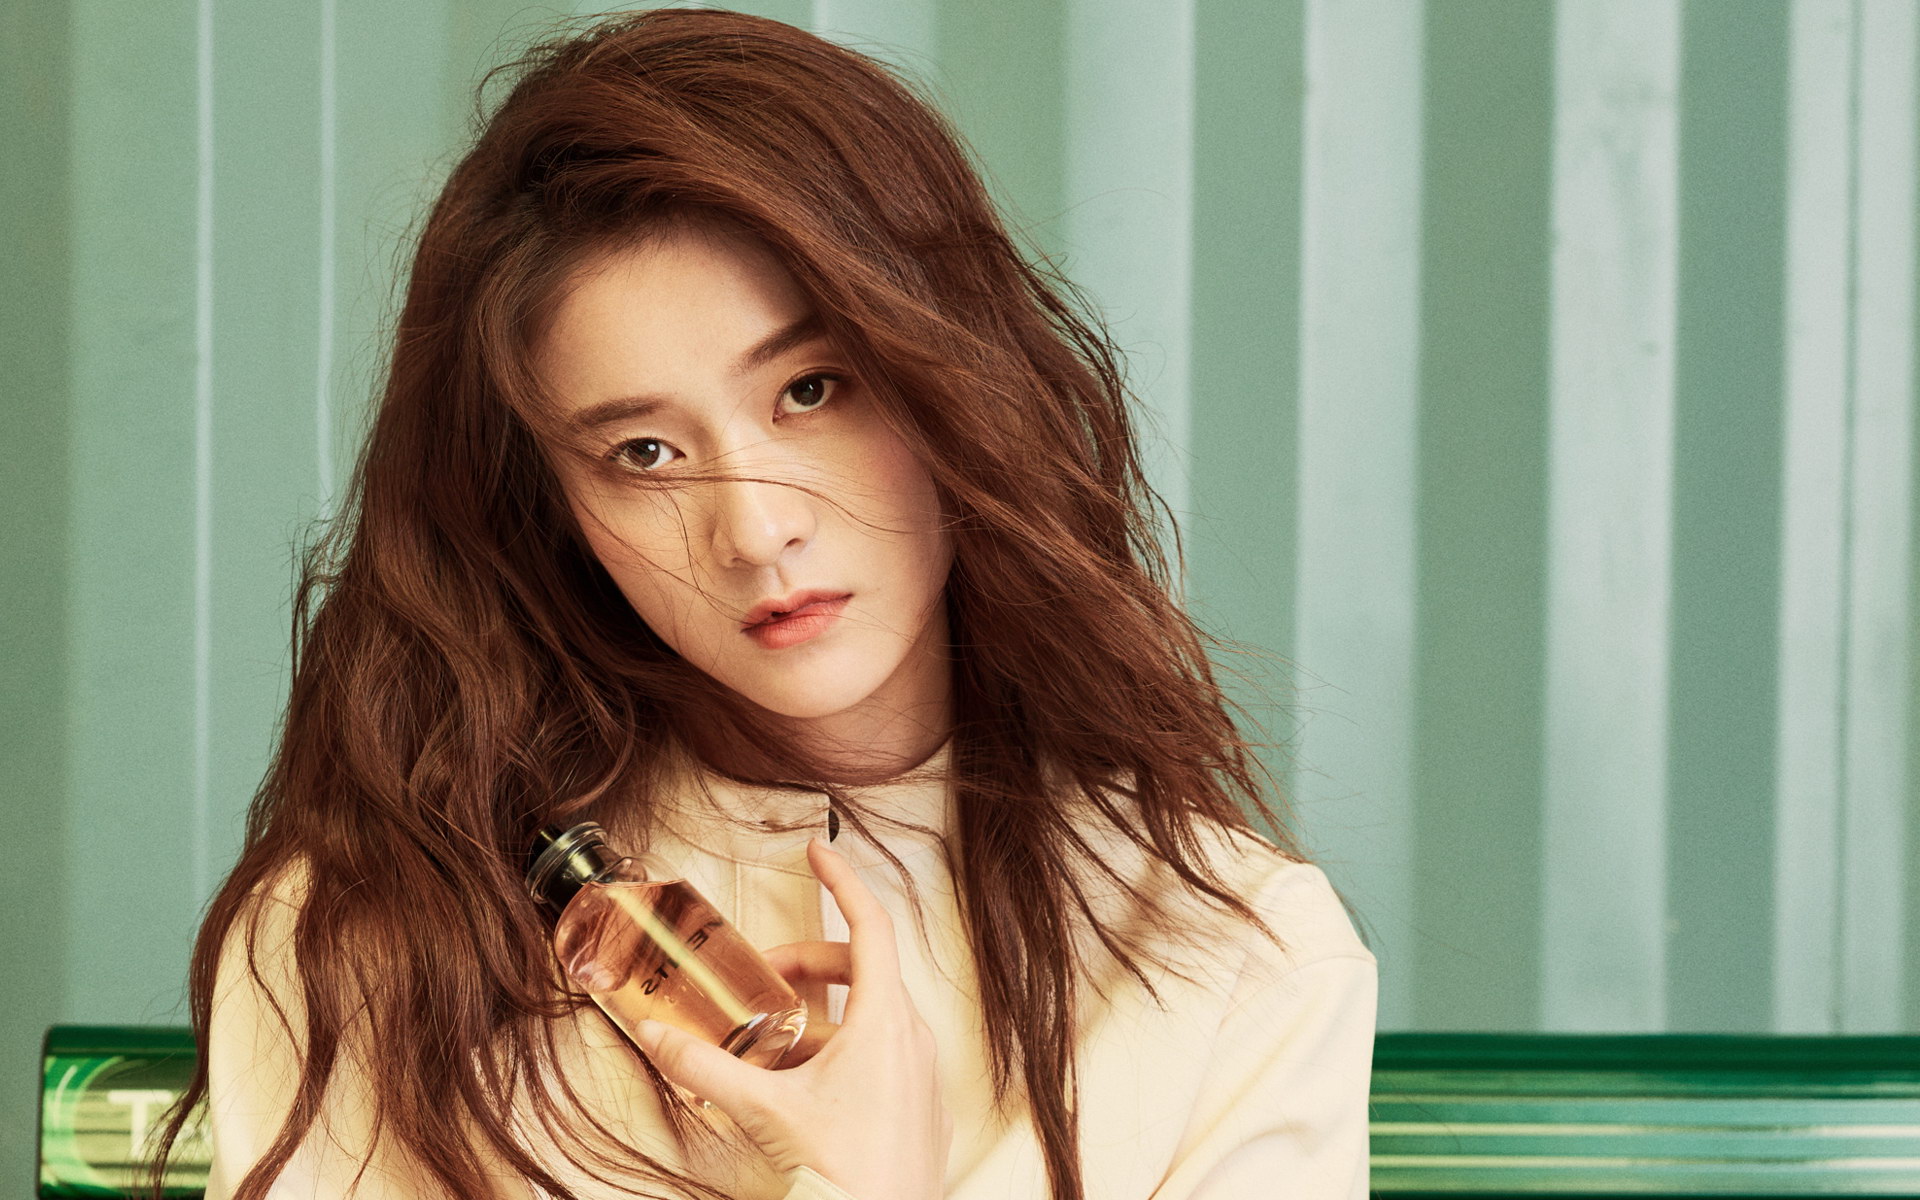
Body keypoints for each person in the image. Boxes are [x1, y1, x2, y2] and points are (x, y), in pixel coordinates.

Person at [150, 8, 1377, 1200]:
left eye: (810, 390)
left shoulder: (1236, 965)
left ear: (956, 375)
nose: (754, 530)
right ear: (556, 509)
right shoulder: (371, 947)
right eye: (643, 454)